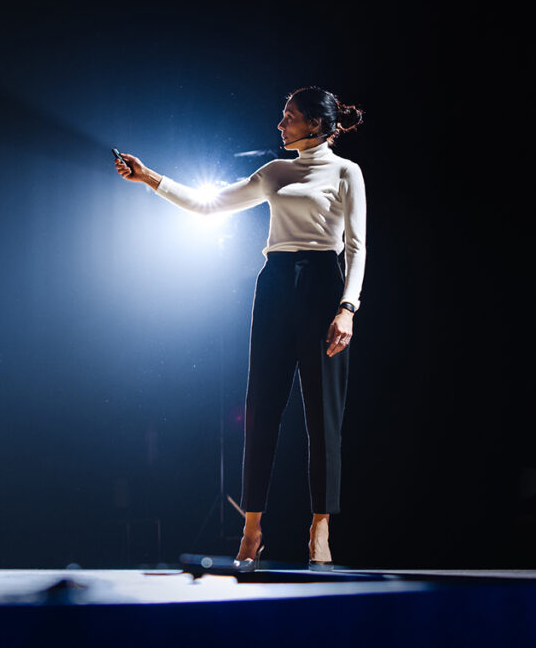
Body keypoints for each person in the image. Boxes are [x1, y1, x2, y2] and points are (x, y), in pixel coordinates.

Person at [114, 86, 366, 570]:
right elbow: (211, 206)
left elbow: (357, 246)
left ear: (315, 125)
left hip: (322, 286)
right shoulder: (275, 171)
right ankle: (252, 529)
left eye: (289, 118)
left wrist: (347, 307)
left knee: (323, 416)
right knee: (261, 407)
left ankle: (320, 527)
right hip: (274, 284)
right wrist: (149, 178)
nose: (280, 125)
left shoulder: (345, 172)